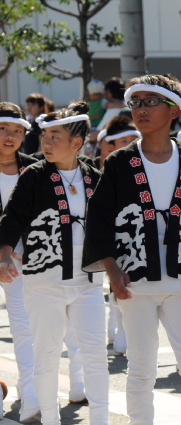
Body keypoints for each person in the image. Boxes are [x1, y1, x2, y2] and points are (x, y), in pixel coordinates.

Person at [82, 74, 181, 425]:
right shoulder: (120, 162)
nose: (141, 109)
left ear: (174, 111)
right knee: (141, 366)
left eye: (151, 102)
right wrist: (112, 271)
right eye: (136, 103)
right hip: (134, 280)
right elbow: (99, 220)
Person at [0, 102, 108, 425]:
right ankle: (49, 419)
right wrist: (4, 252)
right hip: (44, 281)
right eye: (44, 137)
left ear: (77, 143)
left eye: (54, 137)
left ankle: (101, 419)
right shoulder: (33, 176)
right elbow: (13, 217)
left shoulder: (94, 177)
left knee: (95, 354)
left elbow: (110, 224)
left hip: (87, 283)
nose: (46, 143)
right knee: (46, 356)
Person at [0, 102, 41, 422]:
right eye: (3, 128)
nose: (10, 136)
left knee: (24, 328)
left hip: (22, 261)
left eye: (17, 130)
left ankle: (30, 391)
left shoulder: (35, 168)